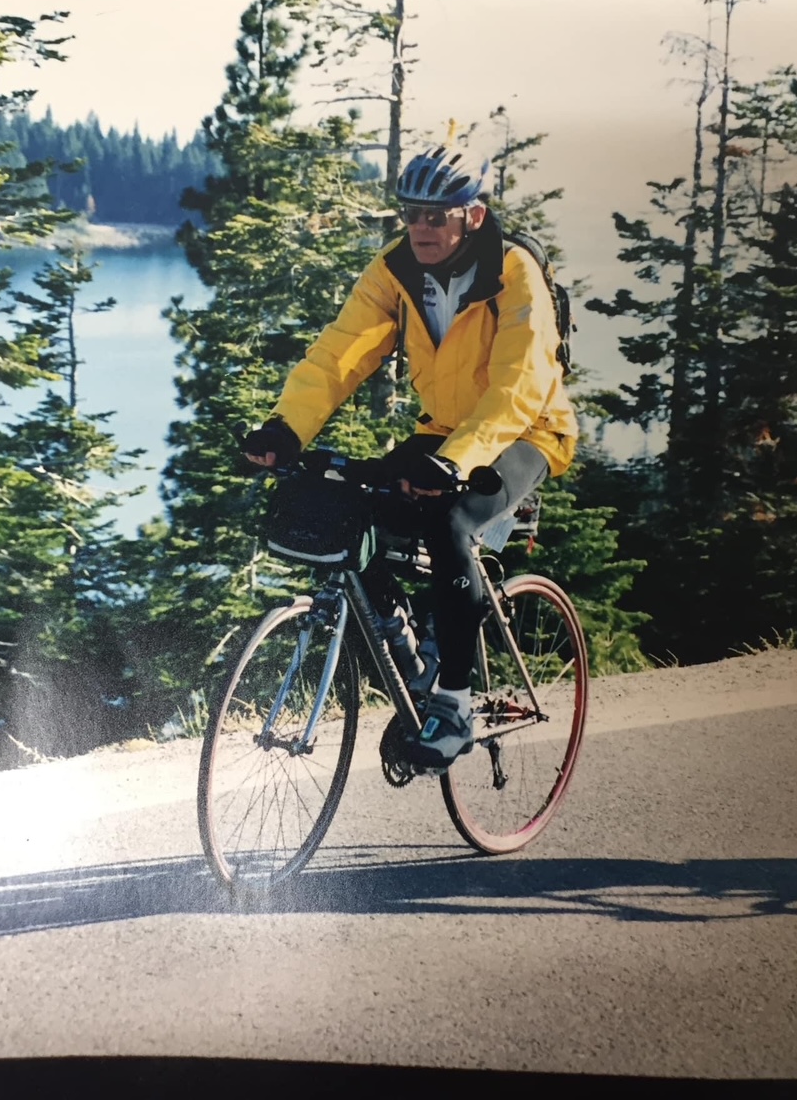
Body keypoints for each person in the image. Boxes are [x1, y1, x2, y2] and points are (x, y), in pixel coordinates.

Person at [242, 143, 579, 771]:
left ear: (472, 216)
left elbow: (521, 382)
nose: (420, 227)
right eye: (410, 214)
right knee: (355, 510)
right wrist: (287, 429)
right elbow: (340, 353)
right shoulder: (395, 269)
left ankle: (455, 702)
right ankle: (407, 646)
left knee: (453, 523)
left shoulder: (514, 271)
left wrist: (458, 461)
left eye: (436, 215)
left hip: (527, 431)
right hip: (445, 432)